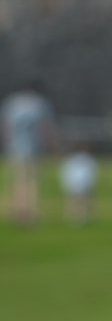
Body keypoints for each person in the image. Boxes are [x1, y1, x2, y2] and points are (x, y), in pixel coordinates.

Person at [2, 80, 56, 225]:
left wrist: (7, 143)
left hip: (16, 147)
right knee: (32, 181)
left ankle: (19, 209)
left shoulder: (13, 102)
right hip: (34, 147)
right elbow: (45, 127)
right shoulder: (41, 103)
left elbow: (6, 126)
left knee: (18, 180)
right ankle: (30, 212)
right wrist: (51, 146)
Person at [60, 144, 98, 225]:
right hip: (79, 182)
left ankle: (78, 216)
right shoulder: (86, 159)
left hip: (76, 182)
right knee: (80, 199)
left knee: (78, 199)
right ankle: (79, 217)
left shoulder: (74, 160)